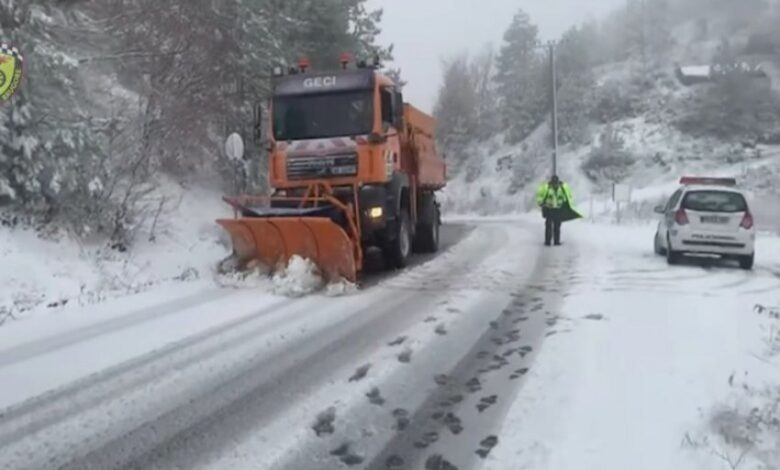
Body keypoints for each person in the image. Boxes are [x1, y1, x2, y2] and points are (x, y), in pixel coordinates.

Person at [535, 175, 582, 246]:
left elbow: (567, 197)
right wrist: (541, 202)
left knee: (557, 226)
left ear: (558, 182)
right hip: (549, 209)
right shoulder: (547, 188)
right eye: (553, 183)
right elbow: (539, 196)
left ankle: (556, 241)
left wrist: (567, 204)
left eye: (556, 183)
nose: (555, 185)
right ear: (551, 182)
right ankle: (547, 241)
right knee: (548, 226)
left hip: (558, 210)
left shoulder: (561, 189)